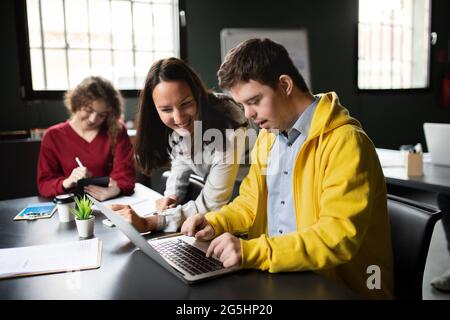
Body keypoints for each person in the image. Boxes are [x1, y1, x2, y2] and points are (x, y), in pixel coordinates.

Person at [180, 38, 394, 299]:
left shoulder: (346, 142)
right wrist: (215, 222)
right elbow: (250, 202)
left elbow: (336, 237)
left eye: (255, 101)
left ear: (284, 85)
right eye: (243, 105)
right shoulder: (269, 138)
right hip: (282, 277)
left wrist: (251, 252)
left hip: (339, 289)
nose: (248, 114)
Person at [111, 58, 252, 232]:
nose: (178, 118)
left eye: (185, 104)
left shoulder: (228, 120)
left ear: (198, 94)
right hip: (219, 210)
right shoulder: (174, 127)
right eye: (166, 110)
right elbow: (181, 162)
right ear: (155, 110)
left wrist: (152, 222)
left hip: (246, 205)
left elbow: (212, 203)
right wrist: (171, 197)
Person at [37, 76, 135, 200]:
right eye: (88, 110)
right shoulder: (53, 136)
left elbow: (125, 175)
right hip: (70, 206)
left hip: (110, 203)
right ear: (76, 103)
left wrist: (115, 189)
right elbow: (44, 184)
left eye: (102, 115)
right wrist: (67, 181)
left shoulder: (117, 130)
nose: (93, 119)